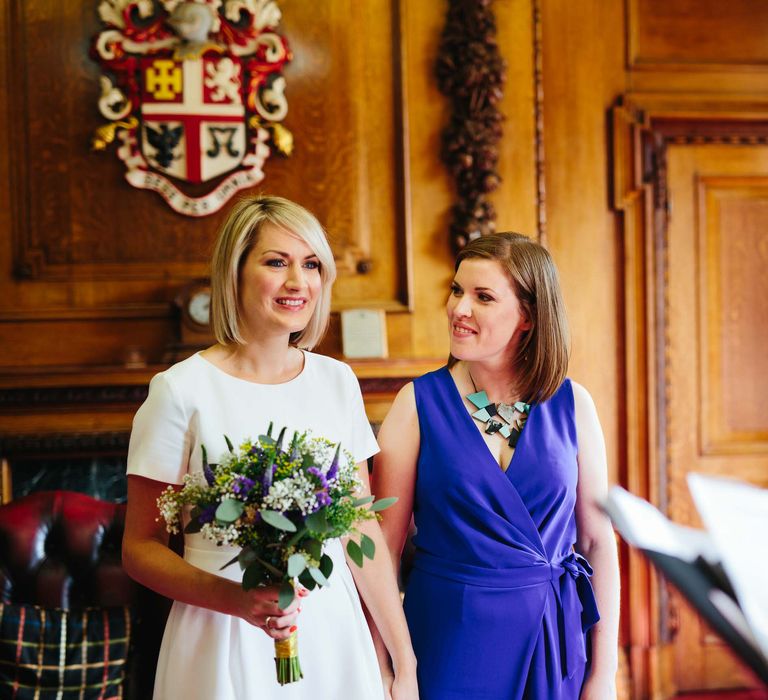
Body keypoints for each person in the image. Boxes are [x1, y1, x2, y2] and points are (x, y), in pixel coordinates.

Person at [123, 195, 418, 700]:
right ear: (234, 272)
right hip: (220, 632)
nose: (298, 282)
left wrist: (401, 659)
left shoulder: (337, 382)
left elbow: (359, 528)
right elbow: (140, 548)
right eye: (276, 262)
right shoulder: (179, 390)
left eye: (311, 265)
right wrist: (239, 600)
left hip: (330, 633)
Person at [372, 232, 620, 699]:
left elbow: (597, 541)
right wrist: (387, 665)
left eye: (482, 297)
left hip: (555, 637)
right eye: (457, 290)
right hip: (449, 638)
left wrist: (603, 674)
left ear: (527, 316)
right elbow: (381, 547)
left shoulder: (573, 403)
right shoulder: (416, 404)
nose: (458, 308)